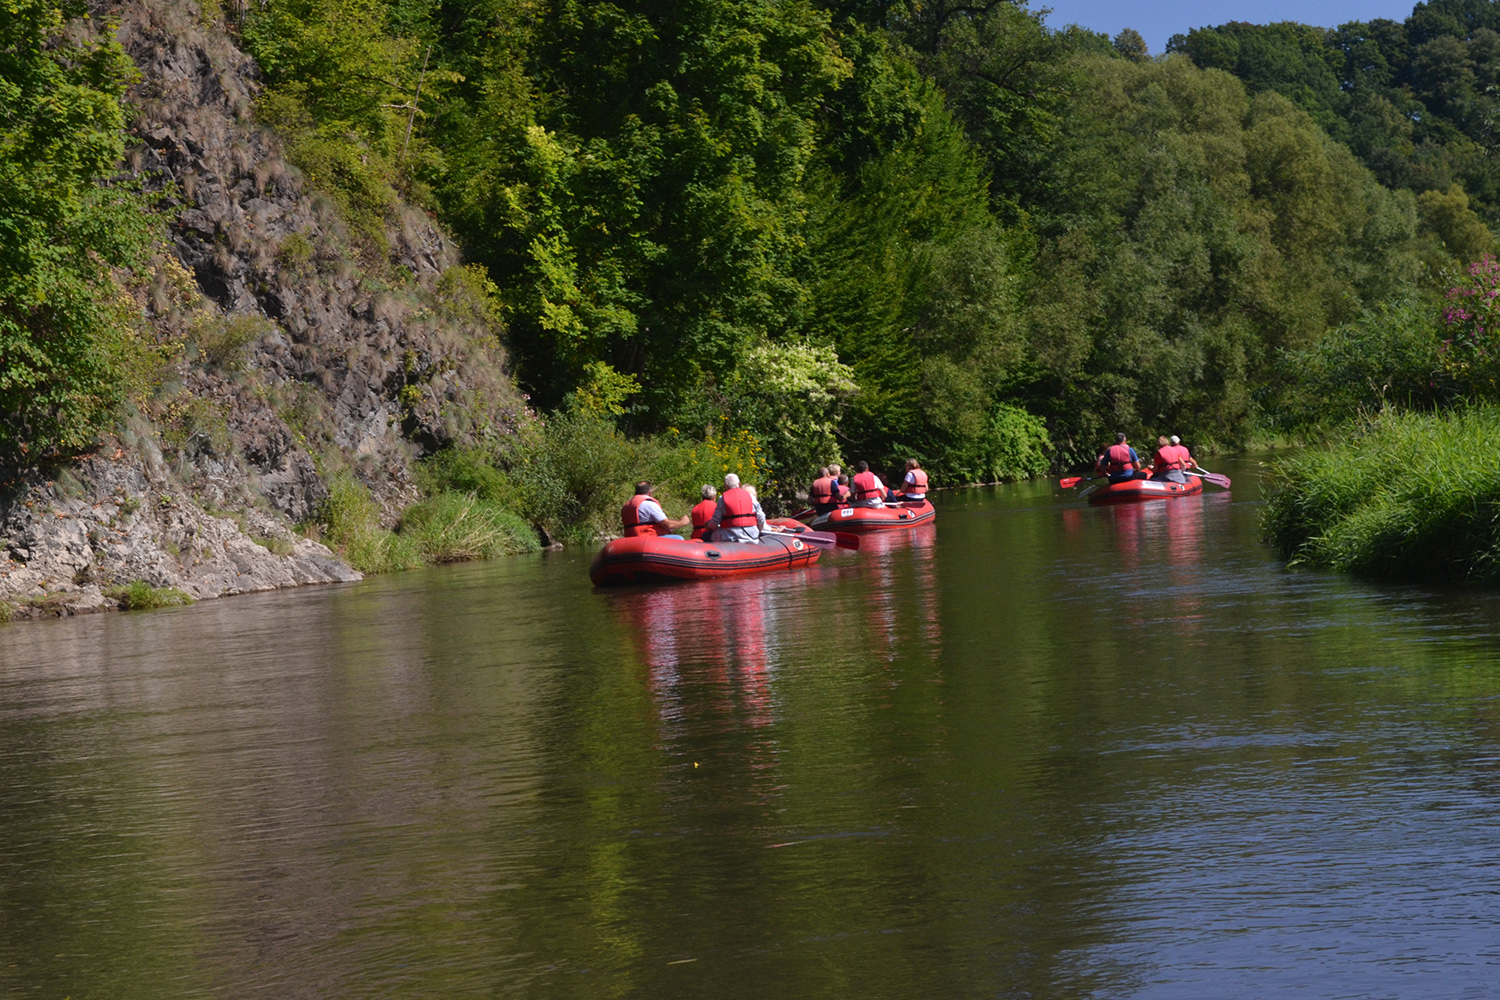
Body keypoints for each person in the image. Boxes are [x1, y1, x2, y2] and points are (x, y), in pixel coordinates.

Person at [705, 473, 767, 543]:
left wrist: (709, 526)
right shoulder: (751, 497)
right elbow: (761, 518)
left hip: (730, 537)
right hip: (751, 536)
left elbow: (714, 522)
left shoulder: (722, 499)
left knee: (706, 536)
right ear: (739, 484)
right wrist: (759, 529)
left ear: (725, 486)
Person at [621, 481, 691, 539]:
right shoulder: (649, 504)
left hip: (631, 541)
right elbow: (668, 525)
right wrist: (683, 522)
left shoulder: (626, 506)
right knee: (679, 538)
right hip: (646, 540)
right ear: (650, 493)